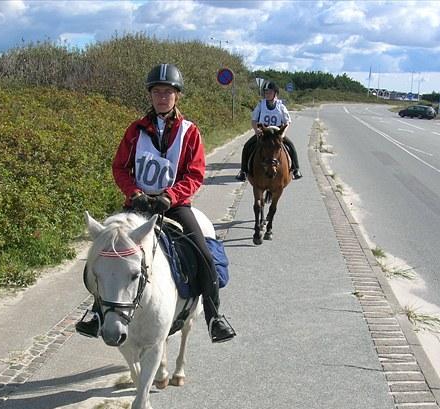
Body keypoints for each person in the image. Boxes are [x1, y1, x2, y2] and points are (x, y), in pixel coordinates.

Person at [76, 63, 237, 343]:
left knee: (203, 255)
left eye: (168, 92)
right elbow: (120, 168)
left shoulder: (190, 132)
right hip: (138, 204)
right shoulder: (135, 130)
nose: (162, 97)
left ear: (177, 96)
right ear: (150, 96)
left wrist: (170, 196)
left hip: (173, 206)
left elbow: (195, 173)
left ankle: (214, 316)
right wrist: (134, 191)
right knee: (105, 252)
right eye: (157, 92)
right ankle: (96, 312)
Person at [235, 81, 302, 181]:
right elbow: (254, 120)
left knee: (291, 146)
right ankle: (243, 171)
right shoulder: (261, 105)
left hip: (277, 133)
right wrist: (256, 130)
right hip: (264, 133)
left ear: (275, 93)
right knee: (247, 146)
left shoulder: (281, 106)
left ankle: (296, 169)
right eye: (266, 92)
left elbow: (287, 122)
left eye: (269, 92)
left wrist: (283, 134)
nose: (267, 94)